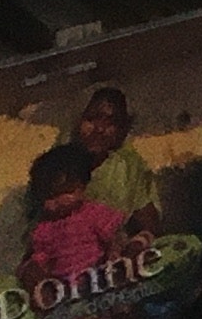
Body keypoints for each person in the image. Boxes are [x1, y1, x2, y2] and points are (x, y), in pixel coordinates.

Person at [15, 148, 118, 288]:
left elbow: (113, 235)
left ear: (81, 188)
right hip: (63, 286)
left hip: (96, 276)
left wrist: (113, 255)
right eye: (51, 196)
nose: (59, 201)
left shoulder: (92, 213)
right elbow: (41, 255)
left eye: (66, 192)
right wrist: (37, 267)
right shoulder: (45, 227)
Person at [64, 92, 154, 236]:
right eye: (91, 119)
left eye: (110, 123)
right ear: (79, 121)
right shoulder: (60, 164)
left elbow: (148, 223)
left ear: (122, 130)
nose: (99, 129)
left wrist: (141, 240)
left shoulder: (128, 166)